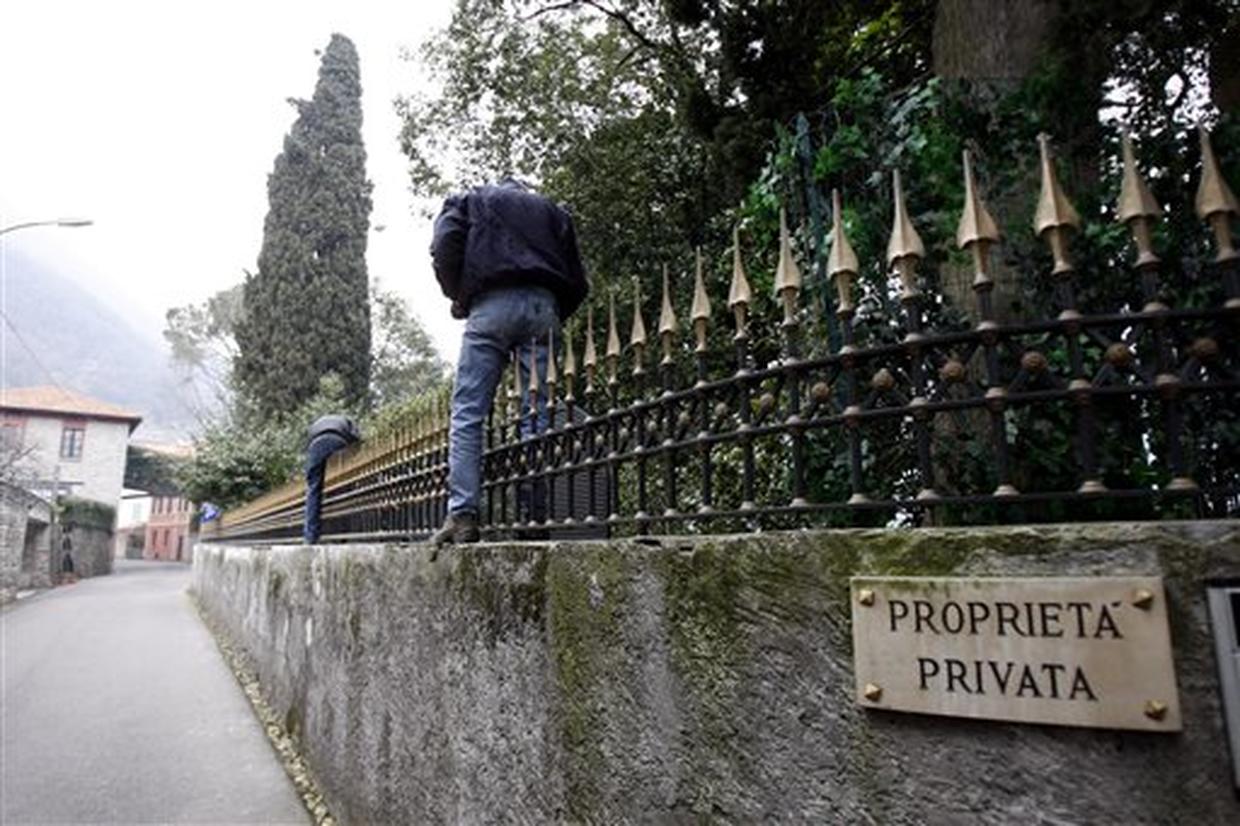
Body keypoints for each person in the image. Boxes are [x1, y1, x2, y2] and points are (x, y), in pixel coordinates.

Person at [429, 178, 588, 545]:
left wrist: (459, 294)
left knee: (468, 413)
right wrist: (553, 308)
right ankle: (533, 518)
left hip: (490, 305)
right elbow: (578, 279)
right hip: (542, 306)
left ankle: (463, 517)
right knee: (537, 415)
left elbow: (443, 246)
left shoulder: (471, 200)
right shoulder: (552, 210)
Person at [304, 414, 361, 543]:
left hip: (315, 444)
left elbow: (308, 446)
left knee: (313, 489)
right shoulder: (347, 421)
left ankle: (310, 537)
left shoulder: (316, 423)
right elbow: (356, 440)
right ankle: (342, 534)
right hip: (338, 441)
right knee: (343, 487)